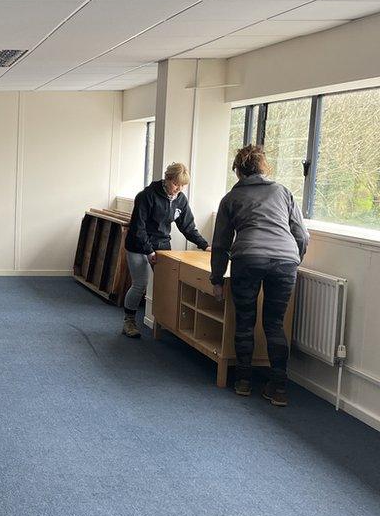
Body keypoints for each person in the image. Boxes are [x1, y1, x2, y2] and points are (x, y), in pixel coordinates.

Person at [211, 145, 309, 407]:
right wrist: (293, 260)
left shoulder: (231, 198)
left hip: (248, 258)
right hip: (285, 261)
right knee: (274, 323)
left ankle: (243, 382)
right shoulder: (283, 192)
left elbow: (220, 242)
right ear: (264, 168)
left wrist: (217, 279)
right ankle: (278, 388)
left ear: (238, 170)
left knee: (245, 320)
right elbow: (302, 235)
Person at [123, 162, 210, 338]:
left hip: (162, 245)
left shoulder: (180, 200)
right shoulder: (146, 196)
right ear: (167, 178)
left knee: (168, 285)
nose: (179, 188)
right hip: (138, 245)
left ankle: (165, 323)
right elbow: (138, 228)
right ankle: (129, 321)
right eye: (176, 184)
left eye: (183, 185)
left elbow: (188, 227)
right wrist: (149, 251)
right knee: (140, 283)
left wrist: (205, 245)